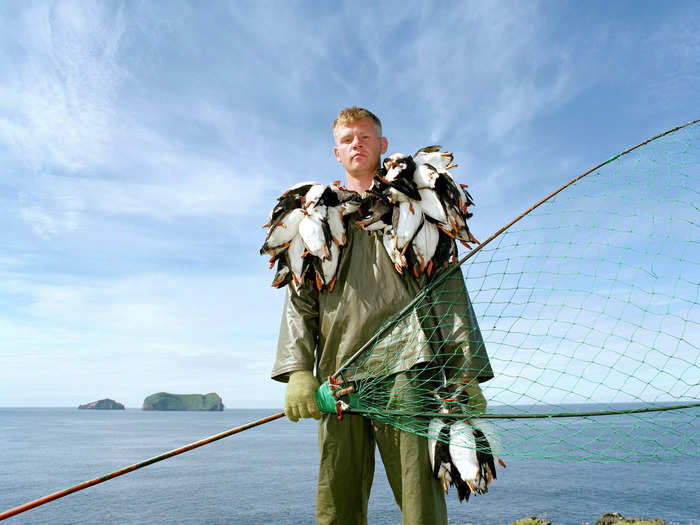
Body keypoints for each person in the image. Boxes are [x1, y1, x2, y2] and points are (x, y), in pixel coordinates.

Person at [271, 107, 493, 525]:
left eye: (366, 136)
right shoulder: (312, 218)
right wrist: (298, 370)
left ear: (382, 145)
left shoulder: (422, 207)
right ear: (337, 151)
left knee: (420, 500)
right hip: (339, 378)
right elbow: (300, 300)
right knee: (337, 501)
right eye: (348, 138)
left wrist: (467, 372)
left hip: (411, 370)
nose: (357, 143)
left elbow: (450, 294)